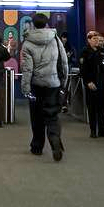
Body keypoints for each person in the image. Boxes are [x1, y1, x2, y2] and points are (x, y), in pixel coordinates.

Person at [21, 12, 67, 161]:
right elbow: (63, 61)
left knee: (36, 117)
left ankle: (37, 146)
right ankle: (55, 141)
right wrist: (63, 82)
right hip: (53, 84)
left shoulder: (27, 43)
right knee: (52, 115)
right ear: (47, 24)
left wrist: (26, 89)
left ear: (33, 25)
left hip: (36, 85)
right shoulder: (55, 39)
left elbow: (27, 69)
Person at [79, 31, 104, 138]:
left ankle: (102, 129)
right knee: (92, 108)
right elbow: (83, 69)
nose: (96, 41)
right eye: (94, 39)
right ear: (89, 40)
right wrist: (88, 81)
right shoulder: (85, 52)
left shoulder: (101, 52)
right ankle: (93, 130)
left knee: (102, 107)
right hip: (91, 83)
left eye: (97, 39)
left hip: (102, 83)